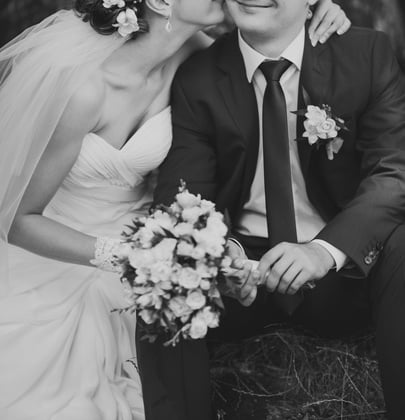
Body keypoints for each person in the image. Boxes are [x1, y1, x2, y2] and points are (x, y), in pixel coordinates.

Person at [0, 0, 349, 419]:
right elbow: (19, 221)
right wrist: (130, 257)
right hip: (64, 245)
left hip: (150, 226)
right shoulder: (86, 90)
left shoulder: (196, 52)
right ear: (162, 2)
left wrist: (317, 8)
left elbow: (271, 37)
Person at [151, 0, 405, 419]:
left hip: (344, 273)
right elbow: (183, 197)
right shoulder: (198, 75)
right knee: (166, 268)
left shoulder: (366, 53)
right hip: (243, 278)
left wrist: (324, 251)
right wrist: (219, 256)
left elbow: (393, 173)